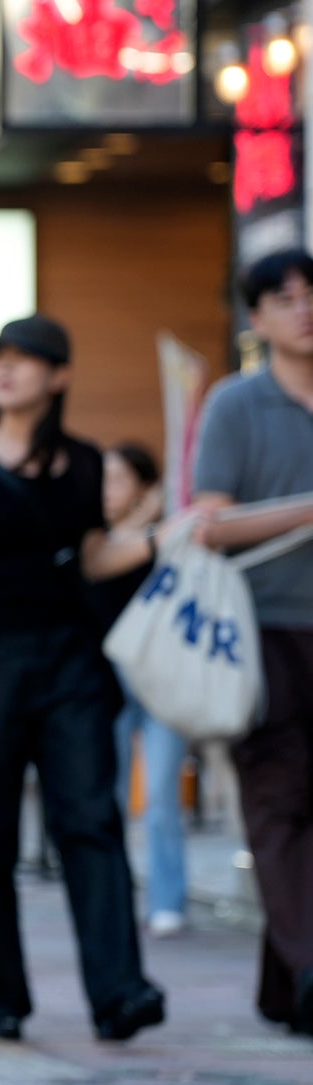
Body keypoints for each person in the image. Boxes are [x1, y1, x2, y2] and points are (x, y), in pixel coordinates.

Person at [0, 314, 165, 1043]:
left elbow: (88, 557)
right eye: (0, 359)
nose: (7, 370)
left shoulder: (84, 463)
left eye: (26, 360)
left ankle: (121, 991)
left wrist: (152, 541)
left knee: (90, 817)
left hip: (70, 661)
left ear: (60, 376)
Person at [191, 247, 313, 1032]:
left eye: (312, 294)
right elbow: (211, 523)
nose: (304, 309)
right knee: (278, 798)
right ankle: (308, 969)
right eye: (286, 298)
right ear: (258, 317)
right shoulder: (237, 406)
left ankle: (287, 982)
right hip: (265, 630)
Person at [89, 443, 187, 938]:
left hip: (163, 677)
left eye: (120, 480)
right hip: (106, 680)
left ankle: (168, 898)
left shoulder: (169, 539)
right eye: (103, 480)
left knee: (161, 793)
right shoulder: (94, 540)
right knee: (107, 793)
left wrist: (152, 528)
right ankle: (114, 895)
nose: (108, 491)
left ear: (145, 487)